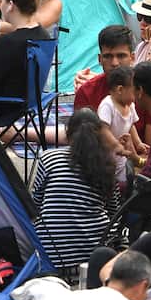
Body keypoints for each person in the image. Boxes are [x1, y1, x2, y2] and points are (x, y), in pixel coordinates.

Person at [31, 108, 120, 268]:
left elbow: (34, 206)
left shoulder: (49, 158)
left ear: (68, 132)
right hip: (93, 255)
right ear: (100, 135)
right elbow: (114, 212)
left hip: (50, 253)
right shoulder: (107, 164)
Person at [0, 0, 54, 123]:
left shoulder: (7, 42)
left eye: (1, 1)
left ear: (10, 5)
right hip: (31, 103)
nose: (0, 6)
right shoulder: (43, 35)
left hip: (3, 109)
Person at [73, 24, 137, 113]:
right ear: (100, 59)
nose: (115, 63)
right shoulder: (86, 92)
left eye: (121, 56)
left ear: (132, 58)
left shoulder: (145, 90)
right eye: (108, 56)